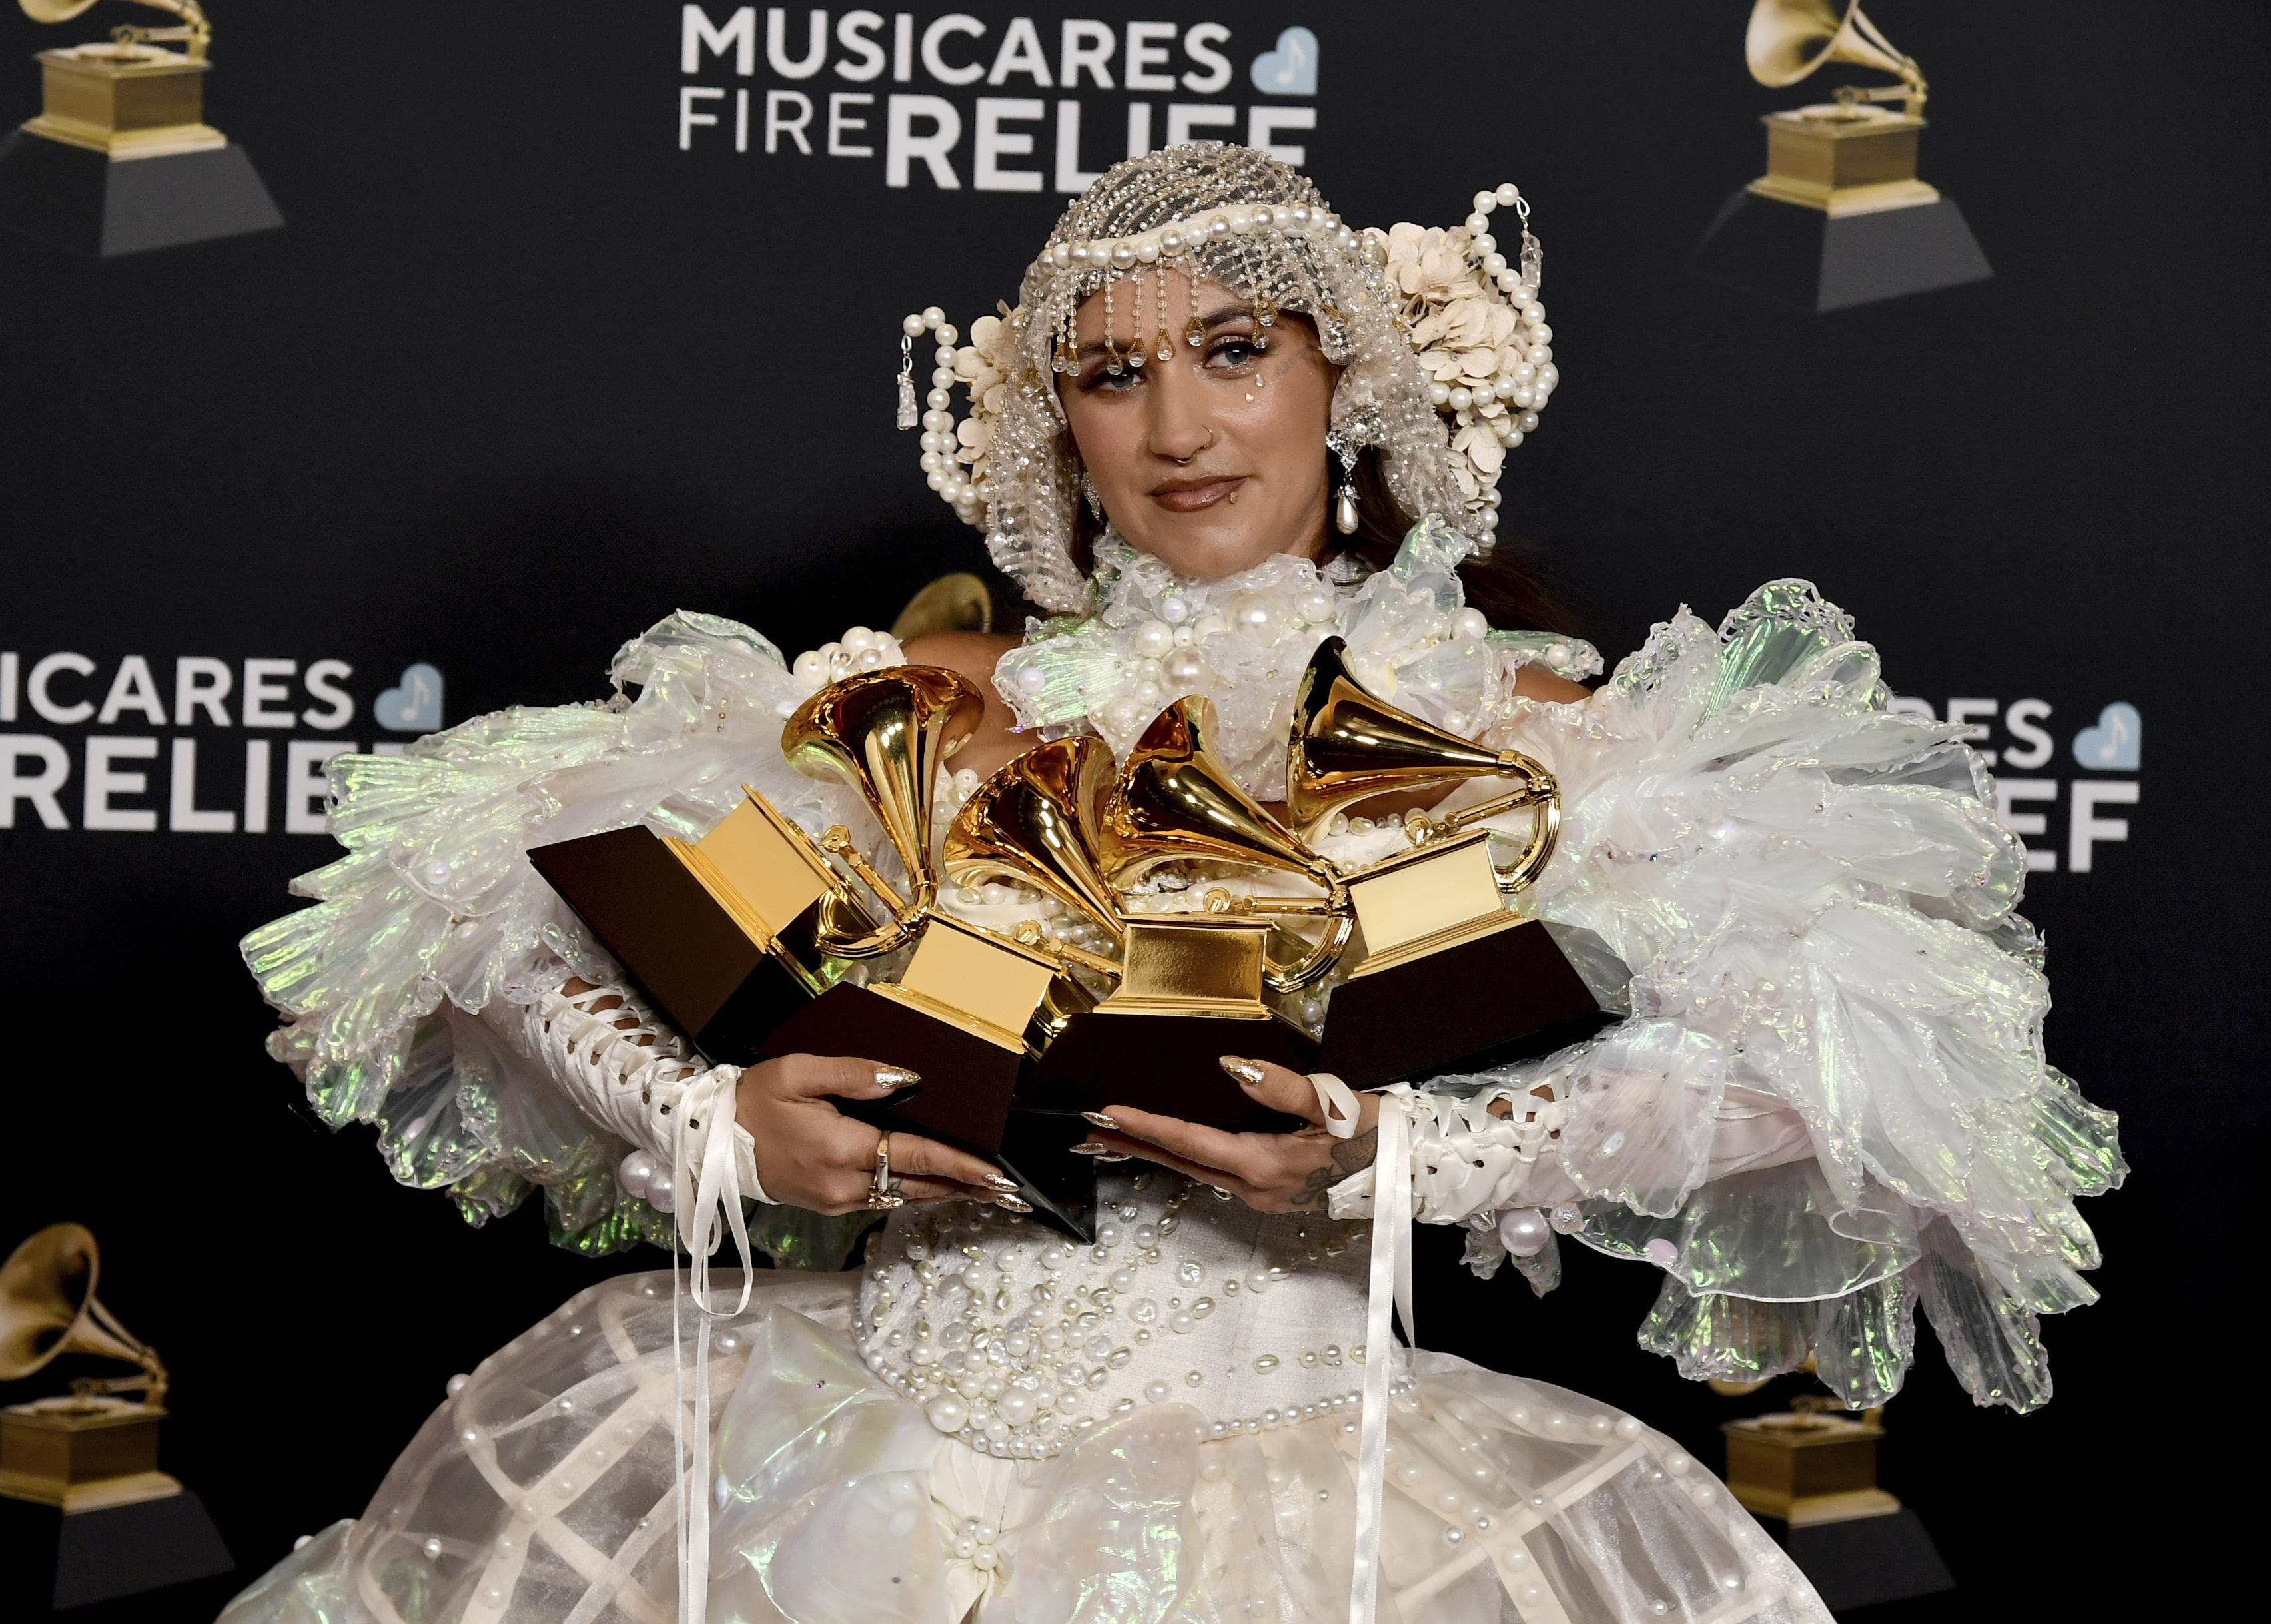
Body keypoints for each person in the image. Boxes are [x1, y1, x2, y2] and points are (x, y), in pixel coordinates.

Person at [221, 145, 2120, 1624]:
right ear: (1059, 426)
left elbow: (1828, 1072)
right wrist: (716, 1119)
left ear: (1341, 378)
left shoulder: (1515, 726)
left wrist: (1398, 1156)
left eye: (1232, 352)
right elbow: (466, 916)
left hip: (1291, 1492)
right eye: (1111, 375)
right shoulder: (927, 709)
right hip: (819, 1457)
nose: (1177, 428)